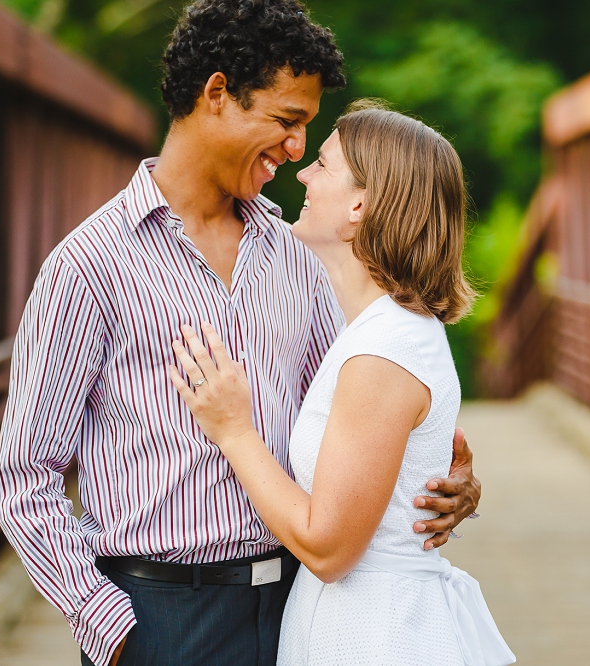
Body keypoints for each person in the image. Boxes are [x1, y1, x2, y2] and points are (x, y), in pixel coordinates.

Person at [0, 3, 481, 666]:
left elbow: (348, 427)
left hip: (299, 612)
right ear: (216, 94)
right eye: (286, 121)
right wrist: (112, 628)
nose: (297, 149)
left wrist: (428, 486)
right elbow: (24, 477)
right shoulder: (88, 267)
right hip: (161, 620)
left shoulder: (302, 260)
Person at [170, 103, 515, 665]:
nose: (301, 172)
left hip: (375, 636)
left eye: (323, 165)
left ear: (361, 204)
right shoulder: (380, 329)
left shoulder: (385, 348)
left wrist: (233, 431)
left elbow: (329, 550)